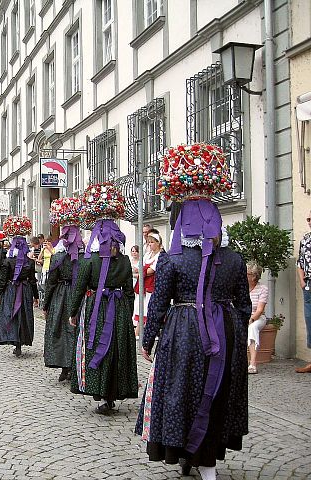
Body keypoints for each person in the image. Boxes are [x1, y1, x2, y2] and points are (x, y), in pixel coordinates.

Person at [135, 143, 251, 480]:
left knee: (182, 390)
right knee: (214, 391)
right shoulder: (233, 258)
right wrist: (235, 331)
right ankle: (205, 458)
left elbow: (159, 302)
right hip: (223, 330)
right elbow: (243, 305)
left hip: (184, 329)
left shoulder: (172, 259)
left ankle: (187, 452)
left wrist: (148, 336)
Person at [67, 184, 137, 414]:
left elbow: (79, 288)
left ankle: (100, 390)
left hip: (97, 307)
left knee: (97, 345)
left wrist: (73, 311)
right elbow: (129, 291)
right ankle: (113, 393)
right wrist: (127, 312)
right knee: (117, 348)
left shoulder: (90, 262)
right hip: (119, 310)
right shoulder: (126, 262)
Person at [43, 198, 85, 382]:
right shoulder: (85, 256)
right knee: (76, 329)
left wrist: (46, 304)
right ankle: (75, 365)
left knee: (60, 329)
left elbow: (51, 282)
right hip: (80, 294)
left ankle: (64, 367)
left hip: (61, 295)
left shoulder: (58, 257)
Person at [0, 216, 38, 357]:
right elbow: (33, 281)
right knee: (23, 315)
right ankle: (20, 342)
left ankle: (15, 342)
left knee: (11, 314)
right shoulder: (30, 262)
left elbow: (3, 280)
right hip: (25, 291)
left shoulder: (8, 261)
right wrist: (36, 296)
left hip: (11, 290)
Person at [134, 232, 161, 338]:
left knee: (148, 309)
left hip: (152, 286)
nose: (150, 244)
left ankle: (144, 333)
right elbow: (140, 267)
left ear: (158, 243)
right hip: (144, 285)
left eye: (152, 242)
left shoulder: (160, 255)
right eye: (149, 242)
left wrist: (142, 270)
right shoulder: (148, 255)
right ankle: (139, 333)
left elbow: (150, 270)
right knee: (141, 308)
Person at [247, 262, 268, 374]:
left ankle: (253, 362)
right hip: (244, 316)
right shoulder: (241, 288)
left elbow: (260, 310)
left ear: (254, 276)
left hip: (258, 318)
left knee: (253, 328)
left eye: (247, 273)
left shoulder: (262, 288)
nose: (244, 275)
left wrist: (251, 320)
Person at [296, 213, 311, 373]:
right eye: (308, 219)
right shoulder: (305, 239)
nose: (309, 222)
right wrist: (302, 281)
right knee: (310, 321)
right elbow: (300, 262)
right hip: (308, 286)